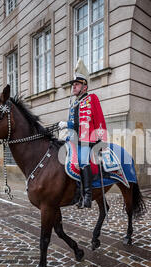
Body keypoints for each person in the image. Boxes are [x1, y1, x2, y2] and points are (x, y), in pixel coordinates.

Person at [58, 59, 107, 209]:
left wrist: (101, 141)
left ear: (84, 87)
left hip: (87, 140)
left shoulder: (92, 99)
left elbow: (99, 119)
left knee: (83, 160)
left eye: (77, 84)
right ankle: (74, 192)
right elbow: (73, 123)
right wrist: (65, 132)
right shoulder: (73, 103)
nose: (74, 87)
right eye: (73, 84)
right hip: (73, 139)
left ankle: (87, 194)